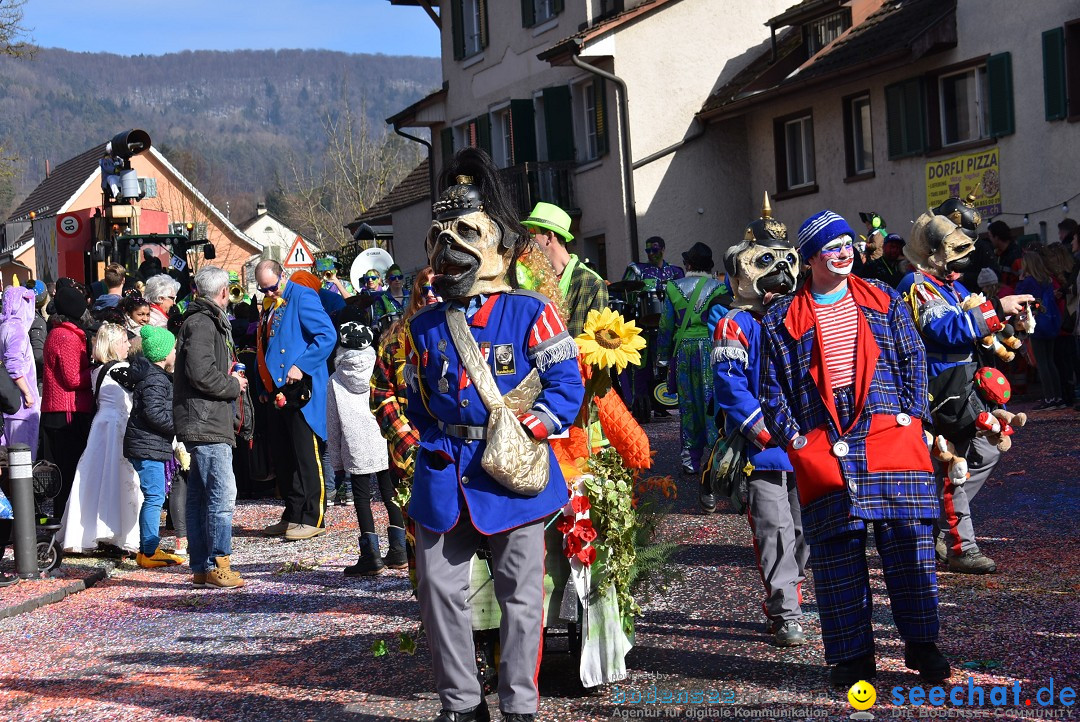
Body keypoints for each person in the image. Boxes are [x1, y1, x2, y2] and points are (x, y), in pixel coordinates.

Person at [406, 148, 583, 722]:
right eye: (439, 233)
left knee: (523, 600)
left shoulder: (532, 312)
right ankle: (462, 704)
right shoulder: (425, 324)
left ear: (501, 246)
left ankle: (519, 706)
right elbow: (416, 396)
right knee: (436, 590)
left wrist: (534, 425)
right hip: (445, 474)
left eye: (464, 231)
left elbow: (565, 385)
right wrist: (428, 438)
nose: (446, 245)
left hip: (512, 472)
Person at [761, 209, 950, 686]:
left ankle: (922, 645)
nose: (846, 253)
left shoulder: (883, 297)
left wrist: (913, 418)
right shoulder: (782, 316)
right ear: (810, 259)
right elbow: (771, 387)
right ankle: (852, 658)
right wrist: (795, 439)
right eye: (833, 247)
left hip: (888, 428)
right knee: (835, 549)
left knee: (909, 541)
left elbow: (913, 356)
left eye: (848, 244)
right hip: (825, 437)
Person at [898, 204, 1035, 576]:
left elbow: (976, 328)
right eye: (955, 253)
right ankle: (961, 547)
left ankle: (938, 525)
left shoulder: (952, 285)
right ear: (932, 255)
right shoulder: (916, 286)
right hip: (938, 392)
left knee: (987, 449)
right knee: (951, 466)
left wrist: (1008, 324)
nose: (962, 263)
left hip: (967, 388)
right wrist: (995, 308)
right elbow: (945, 330)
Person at [709, 197, 808, 647]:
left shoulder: (799, 318)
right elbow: (729, 385)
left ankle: (791, 593)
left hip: (805, 444)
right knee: (773, 526)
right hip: (764, 445)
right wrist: (762, 430)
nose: (781, 274)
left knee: (804, 527)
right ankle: (785, 607)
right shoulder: (734, 323)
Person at [174, 265, 251, 589]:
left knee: (201, 496)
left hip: (202, 418)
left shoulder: (199, 321)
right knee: (221, 493)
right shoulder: (203, 323)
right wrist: (233, 384)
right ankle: (219, 563)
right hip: (206, 421)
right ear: (222, 293)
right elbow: (200, 373)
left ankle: (203, 566)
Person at [254, 261, 336, 541]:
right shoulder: (270, 304)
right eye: (263, 289)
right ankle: (293, 514)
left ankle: (314, 517)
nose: (270, 293)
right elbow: (267, 343)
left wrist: (301, 365)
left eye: (273, 287)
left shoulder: (302, 295)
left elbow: (327, 336)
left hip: (302, 389)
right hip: (278, 391)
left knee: (306, 456)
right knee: (286, 458)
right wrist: (264, 383)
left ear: (283, 277)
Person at [328, 321, 406, 575]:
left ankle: (370, 555)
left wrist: (337, 462)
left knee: (361, 498)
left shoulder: (336, 380)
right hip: (383, 437)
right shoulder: (379, 368)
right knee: (390, 492)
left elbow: (333, 425)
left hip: (355, 443)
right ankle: (399, 549)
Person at [60, 323, 140, 554]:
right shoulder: (120, 369)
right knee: (120, 477)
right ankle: (118, 530)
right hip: (118, 426)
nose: (128, 345)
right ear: (114, 344)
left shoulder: (98, 370)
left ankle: (92, 528)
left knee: (95, 477)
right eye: (124, 341)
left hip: (102, 426)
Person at [658, 242, 726, 475]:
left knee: (687, 405)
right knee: (712, 402)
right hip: (711, 348)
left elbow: (666, 325)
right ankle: (718, 455)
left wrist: (663, 357)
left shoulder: (673, 287)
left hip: (684, 350)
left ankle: (690, 459)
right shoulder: (719, 288)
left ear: (688, 265)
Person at [124, 325, 184, 569]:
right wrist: (179, 425)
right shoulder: (155, 380)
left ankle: (147, 549)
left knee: (154, 495)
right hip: (147, 445)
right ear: (164, 353)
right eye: (173, 349)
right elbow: (154, 413)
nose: (175, 353)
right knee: (155, 496)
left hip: (148, 444)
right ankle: (149, 551)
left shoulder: (153, 376)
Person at [42, 284, 95, 520]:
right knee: (69, 470)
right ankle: (66, 522)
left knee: (66, 470)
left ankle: (65, 520)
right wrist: (96, 371)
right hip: (67, 411)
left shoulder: (61, 332)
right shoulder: (66, 336)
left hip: (61, 408)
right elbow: (73, 378)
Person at [523, 201, 608, 338]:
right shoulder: (533, 278)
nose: (529, 240)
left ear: (549, 237)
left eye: (532, 233)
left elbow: (597, 343)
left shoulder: (592, 283)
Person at [622, 236, 684, 419]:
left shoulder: (674, 272)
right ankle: (642, 404)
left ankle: (663, 403)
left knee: (667, 365)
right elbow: (626, 293)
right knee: (643, 367)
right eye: (647, 251)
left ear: (663, 249)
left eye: (654, 250)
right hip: (643, 326)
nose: (650, 254)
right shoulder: (638, 269)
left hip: (668, 327)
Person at [1016, 251, 1065, 410]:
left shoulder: (1029, 282)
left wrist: (1020, 282)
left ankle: (1049, 398)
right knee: (1050, 361)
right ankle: (1057, 397)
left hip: (1036, 324)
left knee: (1042, 363)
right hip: (1050, 322)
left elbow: (1022, 300)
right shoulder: (1047, 280)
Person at [0, 285, 41, 456]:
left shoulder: (3, 326)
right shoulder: (17, 329)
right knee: (22, 463)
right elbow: (13, 364)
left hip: (8, 403)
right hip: (22, 406)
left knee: (9, 462)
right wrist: (28, 393)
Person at [989, 220, 1022, 287]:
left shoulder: (1016, 255)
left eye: (990, 236)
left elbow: (1022, 280)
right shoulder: (998, 255)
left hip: (1015, 295)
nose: (990, 240)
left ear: (997, 237)